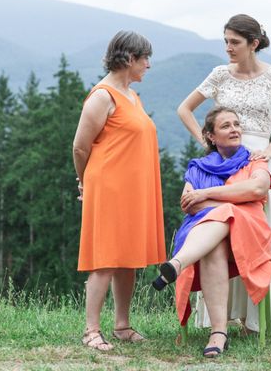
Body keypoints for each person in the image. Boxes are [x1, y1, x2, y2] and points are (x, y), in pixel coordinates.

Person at [177, 14, 271, 335]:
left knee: (261, 237)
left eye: (235, 42)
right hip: (224, 162)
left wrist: (269, 152)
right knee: (222, 233)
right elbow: (184, 109)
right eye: (226, 41)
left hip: (259, 160)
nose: (228, 48)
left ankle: (260, 321)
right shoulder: (219, 74)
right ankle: (223, 317)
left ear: (253, 44)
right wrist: (207, 145)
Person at [153, 106, 271, 357]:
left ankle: (177, 264)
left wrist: (207, 194)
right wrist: (232, 199)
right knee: (215, 242)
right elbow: (189, 203)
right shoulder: (199, 167)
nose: (234, 129)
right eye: (226, 126)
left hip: (247, 234)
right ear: (211, 136)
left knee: (224, 214)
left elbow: (257, 190)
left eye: (236, 124)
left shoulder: (256, 160)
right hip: (206, 239)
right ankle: (218, 333)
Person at [73, 30, 166, 351]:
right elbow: (80, 147)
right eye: (145, 59)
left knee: (128, 257)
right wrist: (84, 181)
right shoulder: (103, 96)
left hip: (133, 188)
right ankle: (91, 330)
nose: (148, 65)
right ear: (128, 59)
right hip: (109, 186)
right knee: (106, 256)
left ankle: (122, 325)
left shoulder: (131, 94)